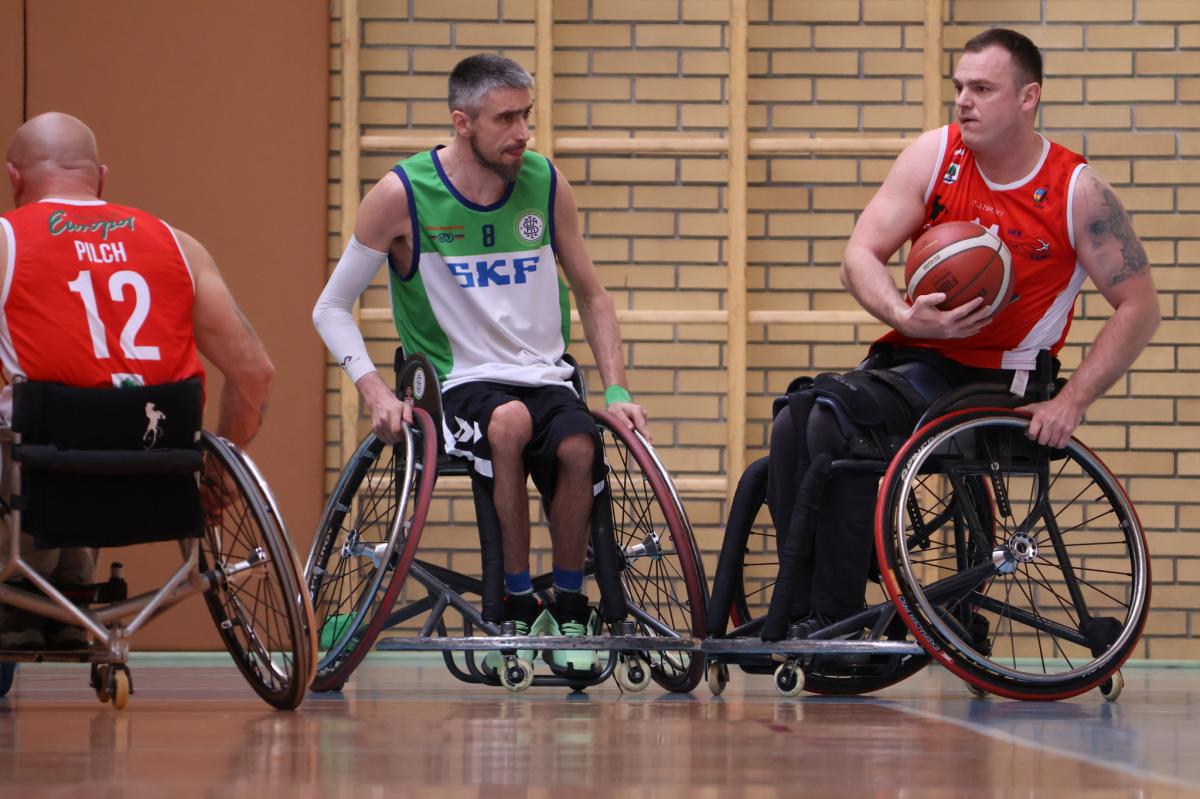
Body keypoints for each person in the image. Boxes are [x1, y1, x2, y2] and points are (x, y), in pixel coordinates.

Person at [764, 28, 1160, 639]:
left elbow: (1140, 307)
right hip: (912, 360)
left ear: (1028, 97)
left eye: (982, 88)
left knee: (832, 422)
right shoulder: (936, 155)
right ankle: (801, 609)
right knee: (794, 420)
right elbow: (858, 256)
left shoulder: (1077, 191)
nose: (963, 101)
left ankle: (835, 620)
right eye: (959, 87)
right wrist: (903, 315)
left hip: (999, 378)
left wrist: (1072, 401)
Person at [312, 54, 648, 674]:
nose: (523, 133)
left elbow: (593, 295)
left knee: (579, 444)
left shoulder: (546, 183)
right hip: (457, 383)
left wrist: (618, 389)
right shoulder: (402, 195)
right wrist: (375, 392)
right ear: (462, 122)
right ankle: (515, 605)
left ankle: (569, 606)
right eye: (506, 119)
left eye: (526, 116)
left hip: (544, 376)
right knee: (508, 422)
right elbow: (331, 307)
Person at [0, 112, 274, 648]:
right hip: (157, 471)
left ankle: (30, 588)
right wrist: (219, 477)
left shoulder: (8, 240)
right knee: (97, 423)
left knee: (37, 426)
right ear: (100, 178)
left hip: (40, 471)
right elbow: (255, 372)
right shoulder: (177, 244)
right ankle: (72, 585)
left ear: (14, 179)